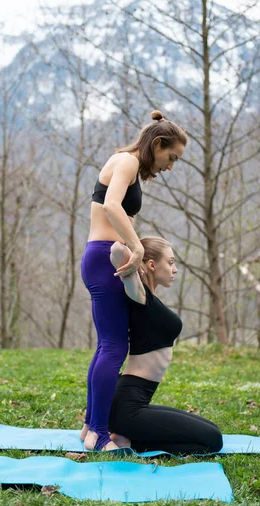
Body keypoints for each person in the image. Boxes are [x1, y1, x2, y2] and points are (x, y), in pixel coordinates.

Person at [80, 110, 188, 451]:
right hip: (103, 257)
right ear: (157, 144)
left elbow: (119, 213)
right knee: (114, 347)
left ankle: (89, 429)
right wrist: (137, 248)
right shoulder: (125, 161)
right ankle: (98, 434)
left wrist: (135, 246)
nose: (170, 166)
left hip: (103, 255)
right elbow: (112, 206)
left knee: (107, 345)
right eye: (171, 158)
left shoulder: (129, 166)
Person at [108, 237, 223, 455]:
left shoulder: (147, 296)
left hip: (135, 402)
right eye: (170, 262)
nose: (175, 269)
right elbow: (116, 251)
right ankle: (130, 442)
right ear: (151, 264)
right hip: (128, 406)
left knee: (213, 431)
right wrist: (136, 249)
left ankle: (127, 437)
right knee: (212, 441)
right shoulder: (138, 294)